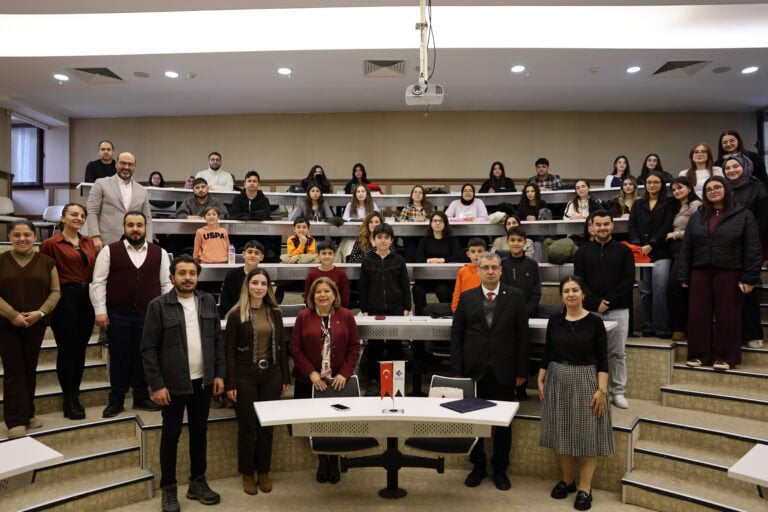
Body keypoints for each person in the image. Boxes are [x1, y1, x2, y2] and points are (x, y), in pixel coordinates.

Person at [141, 255, 225, 510]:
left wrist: (219, 374)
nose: (187, 277)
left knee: (199, 433)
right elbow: (148, 349)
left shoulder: (208, 301)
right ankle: (169, 488)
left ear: (197, 277)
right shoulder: (158, 306)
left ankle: (197, 482)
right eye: (182, 273)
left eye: (192, 273)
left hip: (202, 382)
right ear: (172, 277)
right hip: (173, 385)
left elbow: (217, 341)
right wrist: (157, 385)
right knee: (171, 436)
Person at [451, 252, 528, 491]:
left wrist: (521, 370)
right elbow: (457, 336)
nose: (491, 271)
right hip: (474, 371)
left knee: (502, 425)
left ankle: (500, 469)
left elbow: (522, 337)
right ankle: (478, 467)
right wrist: (457, 371)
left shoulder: (515, 297)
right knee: (474, 423)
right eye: (486, 267)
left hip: (505, 370)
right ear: (479, 270)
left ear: (501, 270)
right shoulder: (467, 297)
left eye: (495, 267)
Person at [537, 276, 613, 511]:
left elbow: (603, 360)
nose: (571, 294)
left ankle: (585, 488)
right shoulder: (554, 322)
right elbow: (548, 351)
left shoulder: (594, 322)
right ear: (561, 295)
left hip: (586, 380)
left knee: (586, 435)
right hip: (557, 378)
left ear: (583, 294)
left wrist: (601, 390)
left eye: (575, 290)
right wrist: (541, 376)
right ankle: (567, 480)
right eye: (566, 291)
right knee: (562, 433)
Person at [90, 211, 172, 418]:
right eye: (130, 225)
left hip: (149, 315)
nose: (135, 229)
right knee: (119, 357)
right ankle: (116, 399)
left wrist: (166, 313)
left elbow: (166, 284)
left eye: (139, 225)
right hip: (118, 314)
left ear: (145, 227)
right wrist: (100, 311)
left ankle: (141, 396)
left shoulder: (159, 252)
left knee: (144, 357)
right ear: (124, 227)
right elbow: (98, 282)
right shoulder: (109, 251)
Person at [678, 176, 762, 371]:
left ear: (726, 189)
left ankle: (725, 357)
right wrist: (683, 274)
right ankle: (699, 355)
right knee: (698, 314)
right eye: (709, 189)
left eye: (717, 187)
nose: (713, 191)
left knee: (728, 315)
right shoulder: (698, 215)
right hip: (700, 271)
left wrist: (749, 277)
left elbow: (753, 248)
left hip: (729, 272)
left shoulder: (743, 214)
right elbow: (686, 247)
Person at [224, 268, 289, 495]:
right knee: (248, 427)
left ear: (268, 287)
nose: (259, 287)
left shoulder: (275, 312)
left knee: (266, 427)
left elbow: (281, 346)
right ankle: (247, 473)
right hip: (244, 375)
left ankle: (264, 471)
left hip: (271, 375)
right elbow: (229, 352)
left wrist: (285, 376)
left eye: (264, 283)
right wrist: (230, 383)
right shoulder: (235, 314)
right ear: (247, 286)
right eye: (255, 283)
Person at [291, 277, 360, 484]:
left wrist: (344, 374)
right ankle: (322, 460)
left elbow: (354, 347)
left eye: (326, 291)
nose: (322, 295)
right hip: (310, 380)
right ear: (312, 296)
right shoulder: (303, 316)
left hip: (337, 381)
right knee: (316, 421)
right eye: (318, 292)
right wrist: (311, 373)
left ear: (334, 295)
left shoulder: (346, 315)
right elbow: (295, 348)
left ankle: (335, 460)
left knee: (336, 421)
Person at [0, 220, 61, 439]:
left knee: (29, 369)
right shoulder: (1, 260)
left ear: (35, 237)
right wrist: (13, 315)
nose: (22, 239)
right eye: (17, 235)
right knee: (14, 371)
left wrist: (40, 313)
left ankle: (28, 413)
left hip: (35, 324)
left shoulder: (47, 262)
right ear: (10, 236)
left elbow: (55, 292)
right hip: (7, 325)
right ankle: (15, 421)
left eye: (27, 234)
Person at [40, 203, 97, 420]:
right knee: (67, 348)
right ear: (63, 218)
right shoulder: (50, 243)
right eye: (74, 214)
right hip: (64, 298)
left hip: (86, 297)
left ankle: (76, 393)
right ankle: (69, 398)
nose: (79, 218)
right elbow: (45, 275)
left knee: (81, 348)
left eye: (82, 216)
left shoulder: (88, 241)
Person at [574, 210, 635, 409]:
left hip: (618, 309)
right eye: (598, 224)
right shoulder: (582, 252)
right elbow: (579, 282)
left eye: (606, 224)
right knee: (590, 351)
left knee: (617, 353)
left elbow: (628, 280)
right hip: (590, 311)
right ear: (591, 226)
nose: (602, 228)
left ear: (612, 225)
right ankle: (594, 389)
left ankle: (617, 391)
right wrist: (594, 303)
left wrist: (607, 301)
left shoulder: (624, 251)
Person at [359, 223, 411, 395]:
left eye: (386, 237)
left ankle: (397, 382)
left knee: (396, 345)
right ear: (374, 239)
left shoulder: (399, 260)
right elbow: (363, 287)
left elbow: (404, 285)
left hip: (396, 308)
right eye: (379, 237)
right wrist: (365, 308)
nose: (382, 240)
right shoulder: (367, 260)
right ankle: (374, 381)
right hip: (374, 309)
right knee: (375, 345)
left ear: (391, 240)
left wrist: (406, 307)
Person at [722, 154, 768, 349]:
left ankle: (753, 333)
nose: (731, 170)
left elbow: (764, 220)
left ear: (745, 167)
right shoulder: (723, 190)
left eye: (736, 167)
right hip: (728, 247)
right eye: (728, 168)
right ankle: (736, 335)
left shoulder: (758, 187)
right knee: (729, 293)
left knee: (747, 289)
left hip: (751, 244)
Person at [629, 171, 674, 338]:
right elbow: (632, 226)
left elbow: (667, 226)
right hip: (641, 253)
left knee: (660, 290)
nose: (652, 185)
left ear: (661, 184)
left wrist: (652, 244)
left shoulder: (669, 203)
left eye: (656, 182)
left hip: (661, 251)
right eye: (649, 182)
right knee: (645, 291)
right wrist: (638, 245)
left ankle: (661, 328)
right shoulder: (638, 204)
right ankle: (647, 327)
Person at [85, 151, 153, 252]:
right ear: (116, 164)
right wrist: (95, 236)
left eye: (130, 164)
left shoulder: (142, 190)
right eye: (123, 163)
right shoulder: (101, 183)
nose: (126, 167)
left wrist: (148, 241)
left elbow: (147, 218)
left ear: (134, 167)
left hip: (134, 243)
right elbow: (92, 211)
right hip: (106, 242)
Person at [666, 178, 702, 342]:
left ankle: (681, 327)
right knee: (678, 288)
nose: (676, 191)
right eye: (673, 189)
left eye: (679, 187)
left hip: (687, 250)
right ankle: (682, 327)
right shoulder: (678, 206)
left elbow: (698, 230)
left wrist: (675, 235)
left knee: (675, 286)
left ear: (689, 187)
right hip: (675, 251)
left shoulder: (696, 205)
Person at [411, 212, 461, 315]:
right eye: (435, 221)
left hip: (446, 279)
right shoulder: (425, 240)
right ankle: (421, 315)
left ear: (445, 223)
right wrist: (427, 260)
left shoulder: (452, 240)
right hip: (426, 277)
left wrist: (442, 260)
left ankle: (448, 314)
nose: (437, 223)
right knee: (417, 289)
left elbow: (456, 257)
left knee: (442, 290)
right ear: (431, 223)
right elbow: (417, 258)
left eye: (440, 221)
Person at [219, 240, 264, 318]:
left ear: (261, 257)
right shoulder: (232, 274)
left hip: (255, 316)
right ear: (243, 254)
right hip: (233, 315)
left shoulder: (264, 276)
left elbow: (266, 301)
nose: (253, 255)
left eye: (256, 253)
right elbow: (225, 300)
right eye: (250, 252)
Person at [304, 240, 350, 309]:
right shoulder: (312, 275)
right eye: (324, 253)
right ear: (318, 255)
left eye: (330, 253)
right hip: (317, 312)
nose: (327, 256)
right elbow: (308, 297)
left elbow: (345, 298)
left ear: (334, 255)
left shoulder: (341, 274)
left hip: (336, 312)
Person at [451, 237, 487, 312]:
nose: (476, 254)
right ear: (468, 254)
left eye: (480, 251)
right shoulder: (462, 271)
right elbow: (457, 293)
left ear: (485, 253)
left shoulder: (490, 271)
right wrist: (455, 310)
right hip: (466, 310)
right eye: (473, 252)